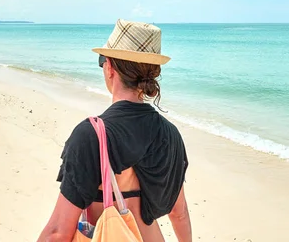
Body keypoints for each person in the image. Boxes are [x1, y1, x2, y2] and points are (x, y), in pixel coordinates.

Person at [37, 19, 192, 242]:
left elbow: (57, 233)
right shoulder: (171, 135)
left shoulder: (90, 134)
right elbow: (179, 213)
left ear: (110, 67)